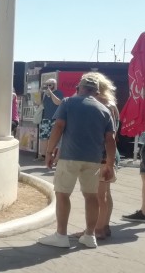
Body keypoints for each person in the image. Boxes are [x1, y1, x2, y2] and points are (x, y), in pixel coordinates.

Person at [38, 73, 116, 249]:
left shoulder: (68, 102)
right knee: (91, 196)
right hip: (94, 159)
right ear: (96, 92)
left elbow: (58, 127)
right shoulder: (104, 110)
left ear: (79, 88)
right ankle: (90, 235)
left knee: (62, 194)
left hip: (69, 156)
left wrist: (49, 152)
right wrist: (110, 165)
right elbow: (110, 139)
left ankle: (61, 235)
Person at [69, 73, 120, 240]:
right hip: (109, 153)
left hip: (100, 153)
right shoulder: (110, 104)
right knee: (105, 193)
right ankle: (104, 226)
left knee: (99, 194)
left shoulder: (101, 104)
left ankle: (97, 229)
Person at [37, 78, 63, 158]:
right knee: (44, 137)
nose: (48, 86)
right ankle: (43, 156)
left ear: (54, 85)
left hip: (55, 119)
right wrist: (40, 91)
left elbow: (58, 102)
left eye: (50, 84)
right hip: (45, 118)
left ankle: (53, 156)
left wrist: (51, 93)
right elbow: (38, 103)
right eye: (47, 84)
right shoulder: (44, 94)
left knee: (54, 137)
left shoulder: (58, 92)